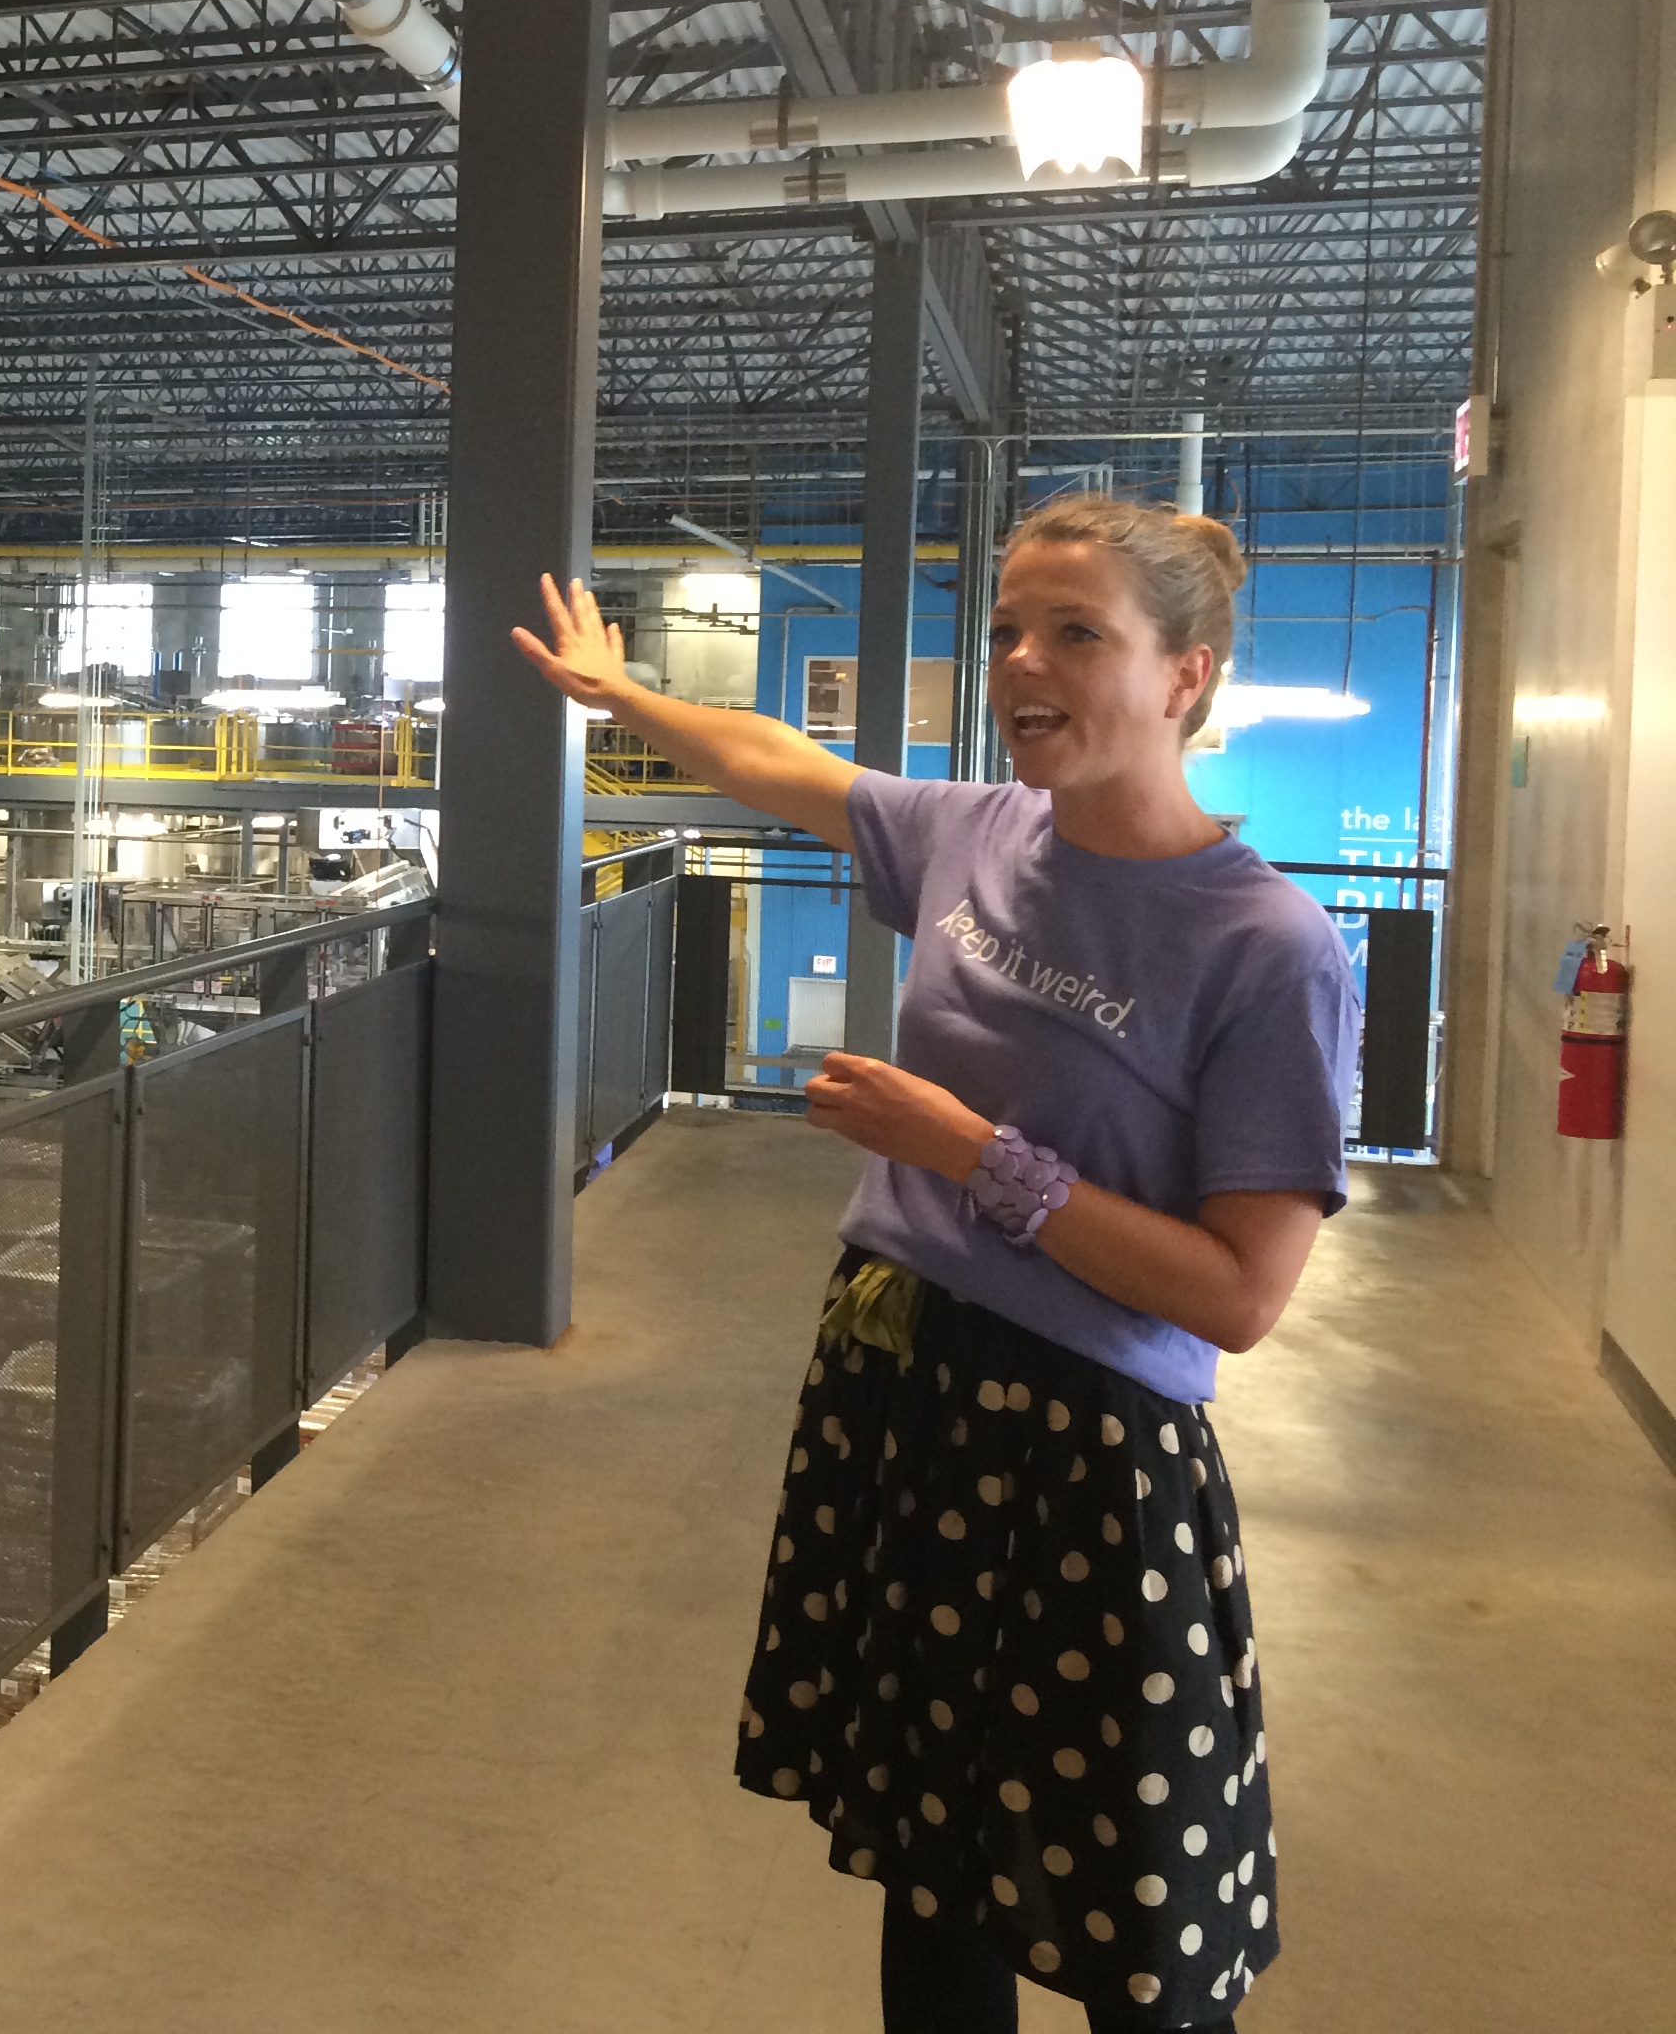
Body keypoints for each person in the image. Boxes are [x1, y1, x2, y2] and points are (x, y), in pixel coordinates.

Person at [515, 495, 1358, 2034]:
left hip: (1089, 1443)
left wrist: (978, 1156)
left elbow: (1240, 1295)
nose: (1023, 664)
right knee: (933, 1861)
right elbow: (793, 769)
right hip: (902, 1388)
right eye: (1010, 633)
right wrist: (622, 697)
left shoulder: (1267, 947)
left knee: (1138, 1909)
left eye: (1078, 633)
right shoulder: (978, 832)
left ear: (1187, 674)